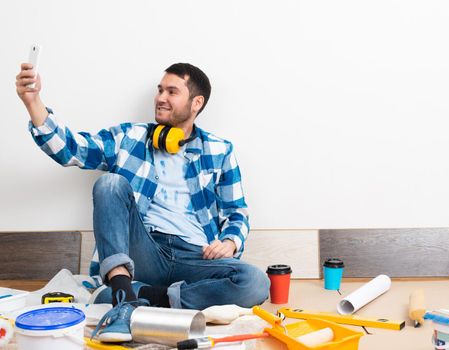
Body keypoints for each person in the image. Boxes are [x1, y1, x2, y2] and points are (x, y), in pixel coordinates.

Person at [16, 62, 270, 342]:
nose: (161, 97)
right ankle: (125, 296)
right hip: (145, 249)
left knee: (255, 282)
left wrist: (231, 242)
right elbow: (72, 149)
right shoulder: (130, 137)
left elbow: (236, 212)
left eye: (172, 91)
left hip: (195, 255)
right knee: (110, 183)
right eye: (160, 90)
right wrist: (33, 101)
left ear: (196, 103)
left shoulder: (220, 151)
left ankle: (146, 295)